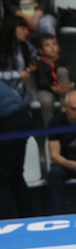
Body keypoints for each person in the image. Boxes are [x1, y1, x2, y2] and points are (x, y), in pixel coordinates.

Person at [0, 79, 35, 220]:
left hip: (10, 121)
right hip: (21, 117)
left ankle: (5, 223)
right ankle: (29, 218)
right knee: (15, 175)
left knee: (2, 177)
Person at [35, 35, 75, 128]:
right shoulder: (39, 64)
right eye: (47, 45)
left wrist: (72, 84)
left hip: (65, 90)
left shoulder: (64, 60)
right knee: (46, 101)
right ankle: (50, 130)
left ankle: (67, 123)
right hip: (47, 90)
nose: (52, 47)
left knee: (62, 71)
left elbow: (73, 75)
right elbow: (41, 81)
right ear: (41, 50)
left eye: (54, 44)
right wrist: (53, 88)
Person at [0, 15, 37, 103]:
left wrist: (30, 68)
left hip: (22, 93)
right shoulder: (2, 50)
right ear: (12, 30)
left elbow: (35, 57)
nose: (26, 32)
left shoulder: (25, 46)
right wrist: (17, 74)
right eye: (22, 29)